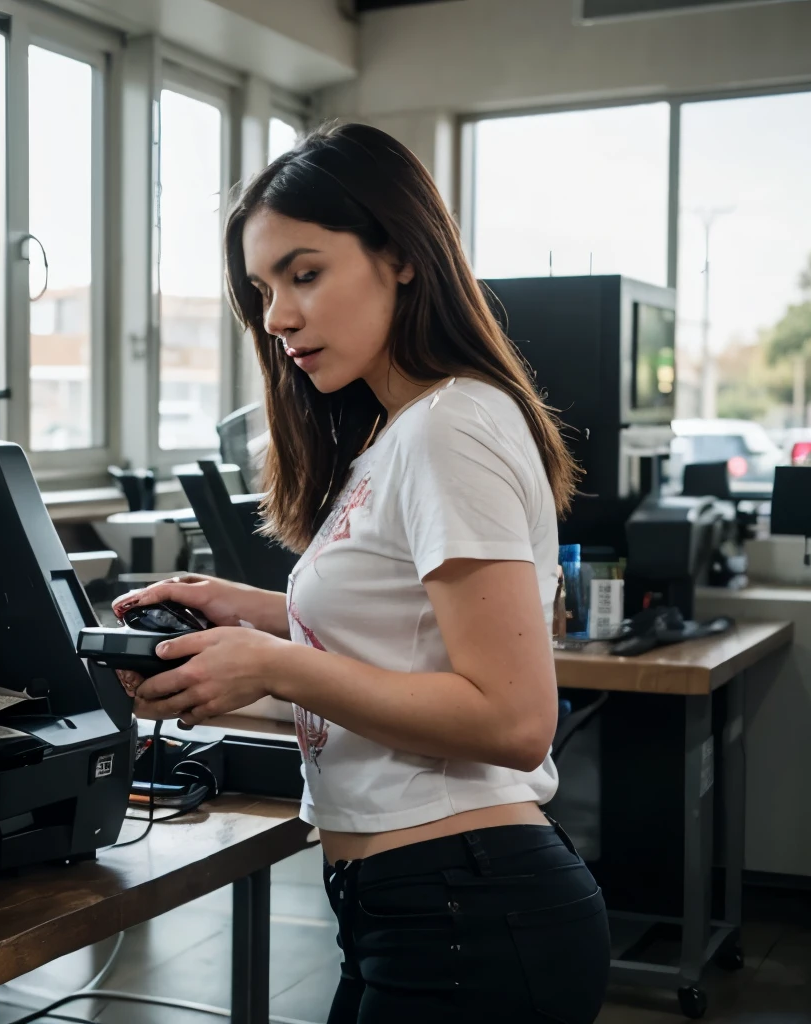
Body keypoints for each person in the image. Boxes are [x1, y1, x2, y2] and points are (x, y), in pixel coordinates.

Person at [111, 122, 610, 1023]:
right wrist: (252, 614)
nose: (278, 318)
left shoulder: (451, 427)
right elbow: (407, 635)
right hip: (412, 903)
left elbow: (514, 718)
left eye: (306, 274)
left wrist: (272, 662)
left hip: (468, 906)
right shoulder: (397, 431)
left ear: (403, 255)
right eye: (264, 290)